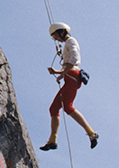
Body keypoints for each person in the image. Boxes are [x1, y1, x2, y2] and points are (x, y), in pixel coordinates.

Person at [40, 23, 99, 151]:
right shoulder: (68, 43)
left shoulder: (71, 41)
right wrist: (57, 73)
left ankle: (91, 133)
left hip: (72, 77)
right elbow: (69, 64)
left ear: (61, 32)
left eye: (55, 35)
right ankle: (52, 140)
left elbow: (74, 59)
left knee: (67, 107)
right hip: (70, 77)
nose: (56, 39)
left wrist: (61, 73)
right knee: (54, 108)